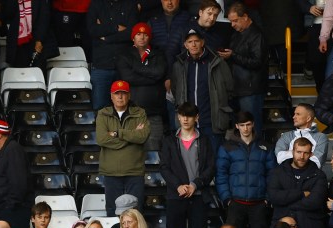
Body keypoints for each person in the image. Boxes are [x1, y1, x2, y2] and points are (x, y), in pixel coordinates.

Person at [266, 137, 328, 228]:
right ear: (292, 151)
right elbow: (274, 197)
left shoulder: (318, 175)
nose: (302, 156)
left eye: (306, 153)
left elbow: (314, 202)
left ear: (311, 154)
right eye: (299, 152)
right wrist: (300, 194)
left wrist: (286, 200)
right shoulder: (278, 172)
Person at [161, 101, 216, 228]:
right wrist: (177, 185)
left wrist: (195, 184)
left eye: (189, 116)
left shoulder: (204, 140)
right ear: (178, 117)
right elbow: (164, 167)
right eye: (182, 115)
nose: (185, 119)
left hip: (198, 196)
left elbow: (211, 167)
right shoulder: (169, 141)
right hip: (176, 195)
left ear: (196, 117)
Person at [170, 29, 233, 151]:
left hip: (212, 122)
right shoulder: (179, 65)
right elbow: (175, 90)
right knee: (191, 162)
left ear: (202, 42)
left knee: (213, 160)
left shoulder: (217, 63)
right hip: (188, 123)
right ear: (185, 45)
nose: (193, 45)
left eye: (196, 41)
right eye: (190, 41)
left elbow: (229, 88)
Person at [217, 111, 275, 228]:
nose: (245, 128)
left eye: (248, 124)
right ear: (237, 126)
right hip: (235, 203)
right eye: (242, 125)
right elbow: (221, 175)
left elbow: (272, 175)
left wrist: (267, 199)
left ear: (253, 124)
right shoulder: (227, 147)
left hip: (259, 203)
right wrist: (227, 199)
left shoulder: (265, 146)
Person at [96, 80, 149, 212]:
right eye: (117, 93)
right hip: (111, 171)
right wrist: (132, 136)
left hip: (134, 171)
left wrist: (117, 133)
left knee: (136, 212)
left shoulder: (140, 113)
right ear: (111, 96)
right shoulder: (103, 114)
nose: (120, 97)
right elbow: (102, 139)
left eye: (123, 93)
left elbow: (142, 136)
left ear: (129, 95)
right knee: (112, 211)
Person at [115, 23, 167, 152]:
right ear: (133, 37)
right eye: (138, 34)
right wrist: (152, 77)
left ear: (149, 37)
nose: (142, 37)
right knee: (132, 153)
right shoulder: (125, 54)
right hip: (131, 113)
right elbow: (128, 77)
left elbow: (160, 73)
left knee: (154, 151)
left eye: (145, 34)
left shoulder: (158, 53)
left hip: (154, 112)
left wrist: (137, 68)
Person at [220, 3, 266, 133]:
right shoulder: (237, 34)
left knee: (252, 126)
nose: (232, 25)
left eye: (235, 21)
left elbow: (257, 62)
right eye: (231, 21)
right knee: (242, 127)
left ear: (245, 17)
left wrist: (232, 55)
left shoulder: (257, 35)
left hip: (251, 89)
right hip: (239, 87)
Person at [86, 0, 139, 111]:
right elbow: (92, 30)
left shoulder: (130, 4)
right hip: (101, 64)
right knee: (100, 109)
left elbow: (132, 33)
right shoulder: (96, 4)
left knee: (127, 108)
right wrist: (115, 27)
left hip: (125, 66)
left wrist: (107, 37)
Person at [0, 119, 32, 228]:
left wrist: (8, 208)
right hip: (3, 212)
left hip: (11, 214)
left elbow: (19, 184)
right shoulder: (5, 151)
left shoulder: (13, 150)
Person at [275, 103, 329, 168]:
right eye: (294, 114)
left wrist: (289, 153)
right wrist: (307, 155)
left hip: (311, 177)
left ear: (308, 118)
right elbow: (280, 158)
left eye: (298, 114)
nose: (294, 117)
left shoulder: (321, 137)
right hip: (288, 176)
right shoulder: (286, 136)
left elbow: (317, 163)